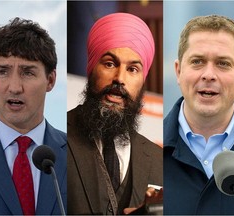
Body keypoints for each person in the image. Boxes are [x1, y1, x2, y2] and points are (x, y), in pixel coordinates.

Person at [67, 12, 163, 215]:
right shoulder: (53, 139)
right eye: (110, 64)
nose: (119, 78)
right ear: (92, 68)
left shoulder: (159, 160)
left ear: (142, 80)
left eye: (133, 69)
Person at [164, 14, 234, 214]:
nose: (209, 74)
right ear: (179, 71)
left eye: (223, 63)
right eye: (197, 61)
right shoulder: (144, 148)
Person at [0, 17, 66, 215]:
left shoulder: (77, 154)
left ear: (50, 80)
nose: (14, 87)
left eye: (27, 73)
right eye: (3, 72)